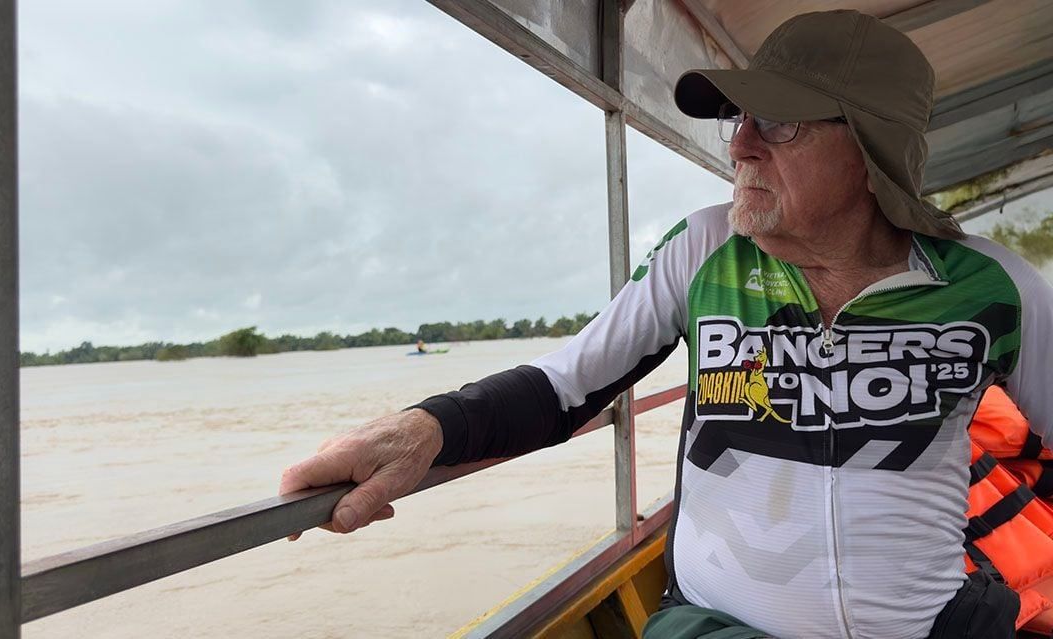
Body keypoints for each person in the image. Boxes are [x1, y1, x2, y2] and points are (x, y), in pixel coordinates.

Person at [279, 9, 1053, 639]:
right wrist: (423, 429)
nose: (741, 144)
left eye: (777, 123)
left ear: (870, 150)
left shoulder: (991, 286)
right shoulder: (705, 251)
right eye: (740, 118)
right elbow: (563, 385)